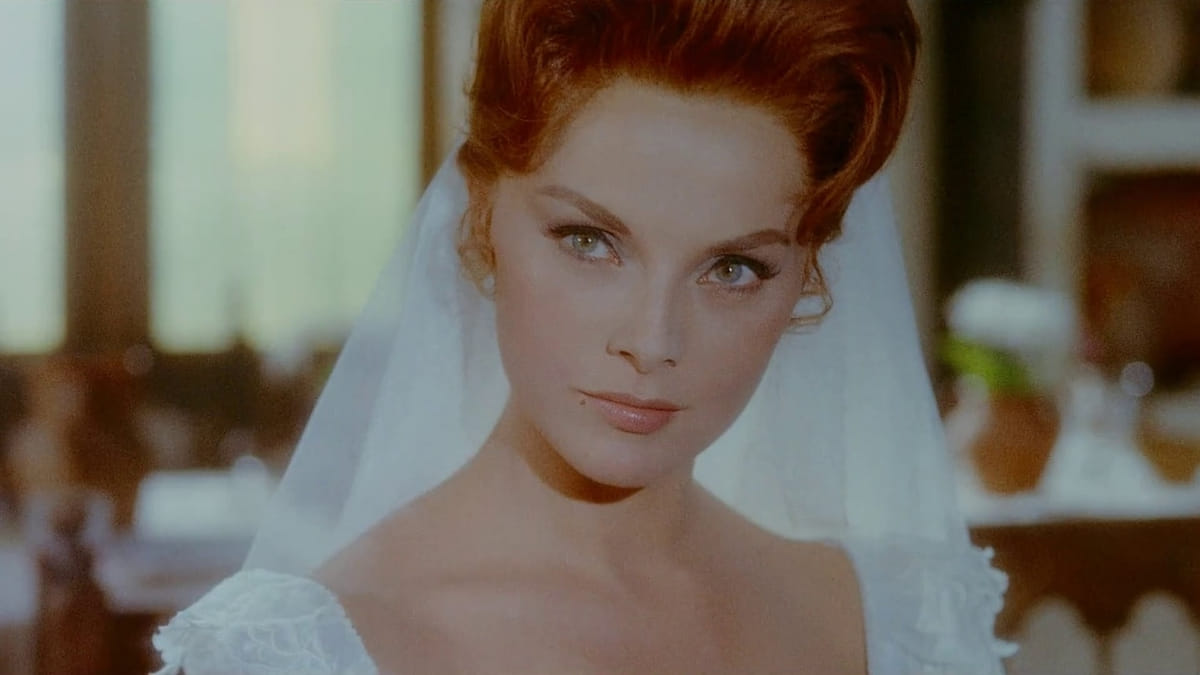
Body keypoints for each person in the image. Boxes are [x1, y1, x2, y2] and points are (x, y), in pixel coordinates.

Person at [153, 1, 1015, 673]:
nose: (653, 340)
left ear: (807, 277)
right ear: (480, 216)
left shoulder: (894, 623)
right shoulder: (306, 651)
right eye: (590, 241)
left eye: (733, 269)